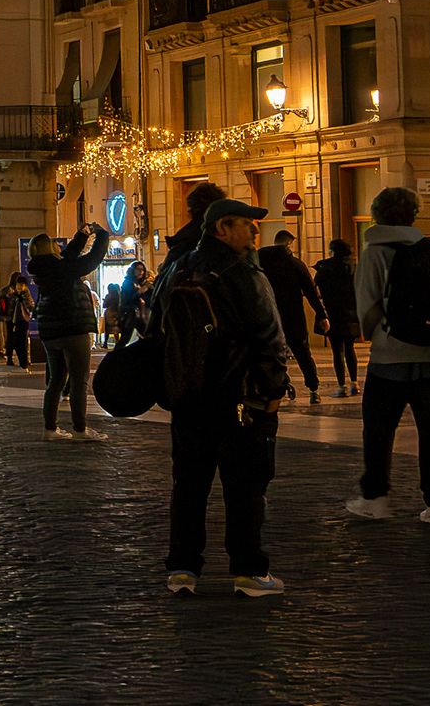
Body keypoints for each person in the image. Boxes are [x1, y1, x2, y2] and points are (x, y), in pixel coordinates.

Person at [162, 199, 289, 597]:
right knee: (246, 487)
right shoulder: (244, 272)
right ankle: (249, 572)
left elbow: (157, 328)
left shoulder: (179, 268)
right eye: (247, 225)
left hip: (189, 398)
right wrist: (272, 394)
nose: (255, 233)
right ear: (221, 229)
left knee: (189, 486)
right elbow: (270, 336)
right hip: (239, 398)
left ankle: (183, 570)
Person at [347, 187, 430, 526]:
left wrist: (377, 333)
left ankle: (375, 497)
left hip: (388, 356)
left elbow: (366, 305)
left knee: (379, 429)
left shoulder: (374, 253)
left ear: (377, 215)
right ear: (413, 215)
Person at [27, 224, 111, 441]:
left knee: (56, 380)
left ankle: (50, 428)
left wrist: (82, 235)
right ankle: (80, 429)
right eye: (53, 242)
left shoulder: (43, 267)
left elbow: (69, 255)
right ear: (49, 248)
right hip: (73, 326)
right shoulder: (61, 268)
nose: (58, 245)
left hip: (50, 330)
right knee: (79, 379)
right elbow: (92, 260)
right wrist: (102, 236)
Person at [257, 229, 328, 405]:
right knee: (303, 353)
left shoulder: (260, 262)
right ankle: (314, 389)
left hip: (269, 316)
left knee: (272, 354)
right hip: (293, 316)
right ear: (289, 244)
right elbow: (310, 291)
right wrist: (321, 314)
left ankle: (281, 385)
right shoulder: (295, 264)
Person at [313, 240, 361, 397]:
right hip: (351, 313)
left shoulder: (325, 268)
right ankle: (354, 384)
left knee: (337, 352)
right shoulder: (353, 267)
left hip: (333, 314)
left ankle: (342, 386)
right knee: (350, 349)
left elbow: (315, 289)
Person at [118, 260, 151, 348]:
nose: (141, 272)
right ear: (133, 270)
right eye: (138, 269)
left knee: (147, 334)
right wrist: (140, 291)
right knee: (125, 338)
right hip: (131, 313)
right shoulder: (128, 283)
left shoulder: (139, 283)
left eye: (143, 270)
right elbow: (128, 299)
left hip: (138, 314)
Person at [3, 274, 33, 368]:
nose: (19, 286)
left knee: (21, 341)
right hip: (13, 320)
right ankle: (19, 360)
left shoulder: (24, 293)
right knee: (16, 341)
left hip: (21, 320)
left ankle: (23, 361)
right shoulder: (12, 292)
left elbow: (28, 304)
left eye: (21, 284)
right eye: (18, 284)